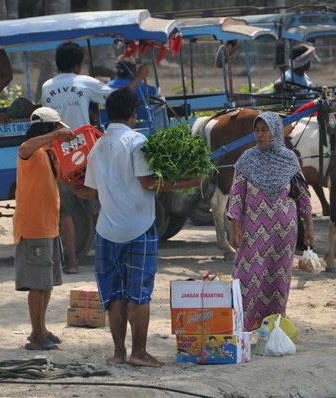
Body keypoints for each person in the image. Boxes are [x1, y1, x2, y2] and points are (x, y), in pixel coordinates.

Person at [69, 87, 203, 366]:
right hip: (138, 228)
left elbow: (92, 192)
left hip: (106, 231)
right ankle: (139, 353)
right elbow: (147, 182)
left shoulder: (97, 147)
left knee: (115, 295)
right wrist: (187, 182)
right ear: (134, 113)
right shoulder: (136, 141)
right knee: (139, 294)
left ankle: (118, 353)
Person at [226, 111, 315, 331]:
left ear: (275, 131)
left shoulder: (289, 159)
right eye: (257, 130)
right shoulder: (247, 159)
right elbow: (236, 194)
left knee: (279, 278)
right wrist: (234, 225)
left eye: (265, 130)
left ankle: (274, 325)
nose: (260, 134)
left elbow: (302, 194)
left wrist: (309, 225)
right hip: (253, 229)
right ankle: (242, 323)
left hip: (284, 231)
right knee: (247, 274)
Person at [41, 41, 114, 274]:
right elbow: (111, 97)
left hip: (59, 155)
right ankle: (105, 261)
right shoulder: (84, 81)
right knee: (96, 208)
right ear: (78, 63)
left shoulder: (47, 87)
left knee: (67, 213)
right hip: (85, 153)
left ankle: (71, 263)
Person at [13, 107, 75, 350]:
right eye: (56, 127)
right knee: (38, 285)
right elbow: (24, 148)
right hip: (33, 227)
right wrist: (55, 136)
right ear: (48, 128)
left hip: (49, 226)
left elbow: (63, 178)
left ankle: (41, 329)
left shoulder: (48, 153)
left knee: (46, 283)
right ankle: (36, 335)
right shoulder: (30, 150)